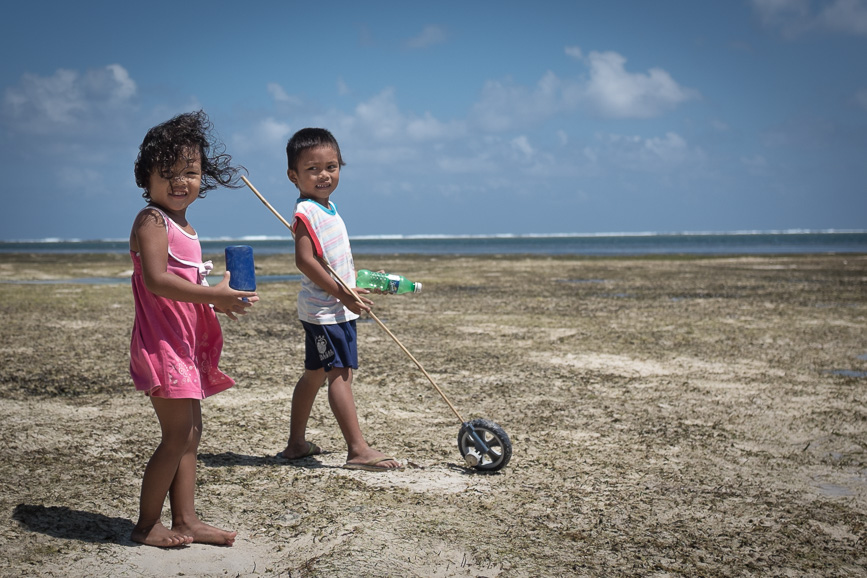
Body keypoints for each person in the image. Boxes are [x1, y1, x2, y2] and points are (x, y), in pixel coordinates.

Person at [128, 111, 258, 548]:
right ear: (146, 178)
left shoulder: (186, 226)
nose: (180, 182)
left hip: (183, 345)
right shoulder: (152, 221)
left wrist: (220, 301)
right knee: (176, 434)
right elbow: (156, 280)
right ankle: (146, 524)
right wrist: (211, 296)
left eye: (191, 172)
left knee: (192, 433)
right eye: (168, 174)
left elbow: (191, 285)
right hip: (162, 345)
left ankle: (186, 519)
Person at [277, 127, 402, 472]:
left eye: (331, 166)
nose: (324, 175)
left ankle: (296, 444)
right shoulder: (306, 212)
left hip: (332, 306)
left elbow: (334, 258)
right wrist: (340, 294)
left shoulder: (328, 207)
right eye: (313, 169)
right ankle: (358, 450)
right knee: (340, 374)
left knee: (314, 374)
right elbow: (304, 261)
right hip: (326, 312)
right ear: (294, 175)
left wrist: (354, 285)